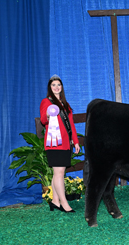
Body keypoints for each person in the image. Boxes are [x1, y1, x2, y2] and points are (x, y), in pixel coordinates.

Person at [40, 74, 80, 212]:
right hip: (54, 143)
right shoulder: (46, 102)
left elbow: (71, 125)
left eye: (58, 85)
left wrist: (75, 141)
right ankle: (64, 204)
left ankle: (55, 201)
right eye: (53, 85)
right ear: (50, 88)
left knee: (59, 173)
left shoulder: (65, 104)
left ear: (61, 87)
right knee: (59, 172)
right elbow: (43, 120)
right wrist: (49, 114)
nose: (56, 87)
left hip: (65, 143)